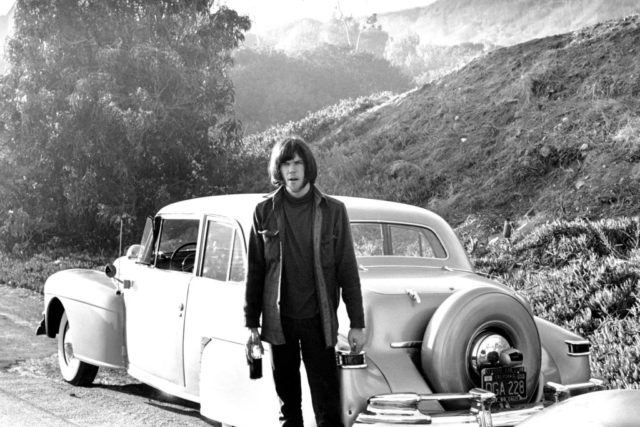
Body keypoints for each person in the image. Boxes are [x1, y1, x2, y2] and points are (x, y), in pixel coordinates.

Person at [244, 136, 366, 427]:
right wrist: (251, 324)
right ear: (279, 169)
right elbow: (255, 271)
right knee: (289, 410)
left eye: (297, 162)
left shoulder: (333, 211)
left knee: (328, 409)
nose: (292, 170)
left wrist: (357, 323)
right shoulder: (264, 212)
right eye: (286, 163)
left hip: (319, 321)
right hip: (279, 322)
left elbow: (347, 270)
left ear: (307, 166)